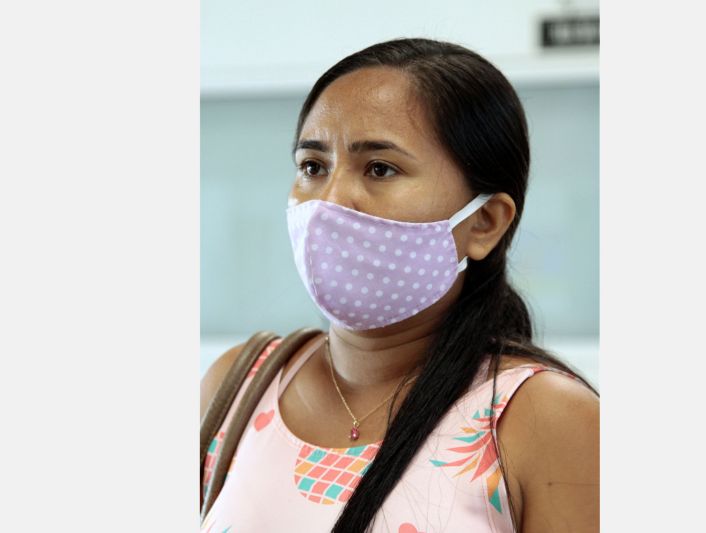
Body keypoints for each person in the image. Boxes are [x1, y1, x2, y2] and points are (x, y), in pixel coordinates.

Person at [200, 37, 599, 533]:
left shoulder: (547, 420)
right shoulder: (237, 387)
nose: (329, 201)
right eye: (312, 167)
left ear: (485, 224)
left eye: (380, 169)